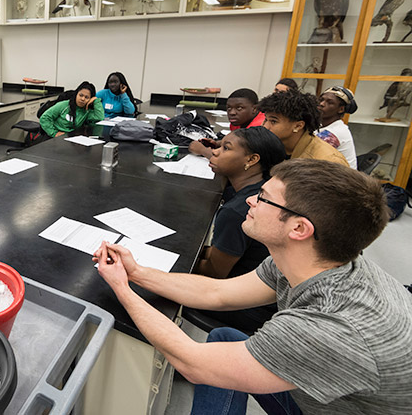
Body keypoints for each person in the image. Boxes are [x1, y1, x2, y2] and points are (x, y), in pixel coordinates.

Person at [95, 159, 412, 415]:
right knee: (223, 338)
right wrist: (136, 273)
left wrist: (122, 289)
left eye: (263, 199)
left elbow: (191, 363)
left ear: (299, 228)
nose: (250, 199)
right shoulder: (312, 258)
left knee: (204, 360)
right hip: (324, 389)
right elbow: (216, 294)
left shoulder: (333, 327)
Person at [191, 127, 286, 332]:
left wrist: (180, 257)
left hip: (253, 309)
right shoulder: (262, 189)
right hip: (272, 296)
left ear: (251, 160)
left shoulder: (237, 211)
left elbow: (215, 274)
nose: (215, 151)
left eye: (226, 148)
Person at [257, 89, 348, 165]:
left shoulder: (326, 162)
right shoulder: (271, 146)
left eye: (273, 121)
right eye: (265, 120)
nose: (265, 126)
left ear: (298, 126)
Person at [190, 88, 265, 159]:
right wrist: (218, 143)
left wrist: (203, 151)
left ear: (254, 109)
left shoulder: (258, 128)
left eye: (239, 108)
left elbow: (235, 162)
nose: (232, 113)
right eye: (229, 108)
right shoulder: (238, 121)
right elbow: (237, 143)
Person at [39, 81, 104, 137]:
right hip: (55, 137)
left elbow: (99, 117)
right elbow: (44, 118)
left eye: (86, 97)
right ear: (76, 94)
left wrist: (96, 100)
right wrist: (54, 133)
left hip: (72, 138)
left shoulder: (86, 111)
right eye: (80, 95)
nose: (82, 99)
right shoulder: (64, 105)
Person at [316, 86, 358, 169]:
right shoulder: (321, 126)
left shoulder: (335, 132)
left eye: (330, 102)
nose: (322, 104)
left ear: (341, 109)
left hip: (340, 180)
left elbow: (307, 153)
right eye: (321, 100)